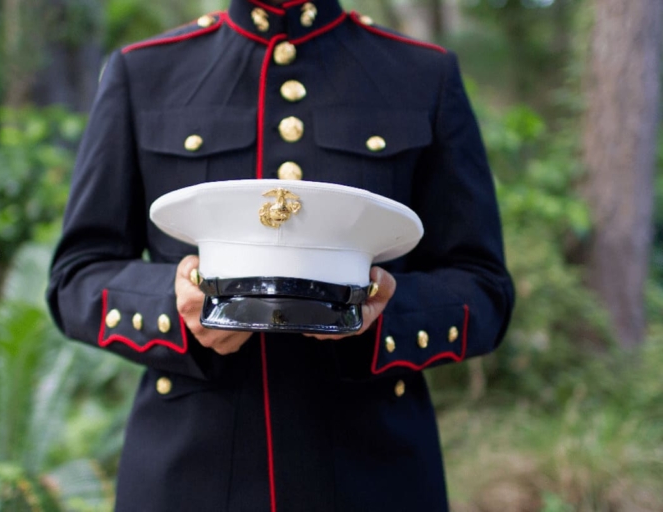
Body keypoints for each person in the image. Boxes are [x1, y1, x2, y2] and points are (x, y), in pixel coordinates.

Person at [46, 0, 515, 510]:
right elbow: (77, 273)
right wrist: (173, 309)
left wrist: (382, 313)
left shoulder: (422, 74)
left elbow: (483, 285)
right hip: (190, 477)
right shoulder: (146, 71)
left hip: (375, 475)